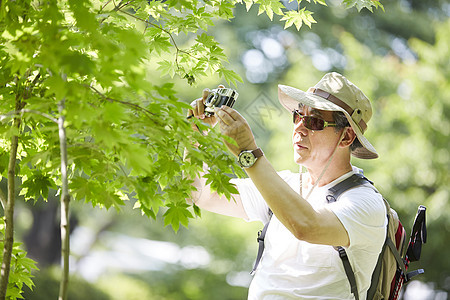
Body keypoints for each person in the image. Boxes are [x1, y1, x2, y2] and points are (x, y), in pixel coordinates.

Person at [186, 72, 387, 299]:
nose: (299, 128)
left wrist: (248, 152)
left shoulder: (366, 201)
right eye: (297, 116)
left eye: (314, 121)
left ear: (347, 137)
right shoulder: (283, 185)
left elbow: (306, 226)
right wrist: (195, 138)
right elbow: (200, 195)